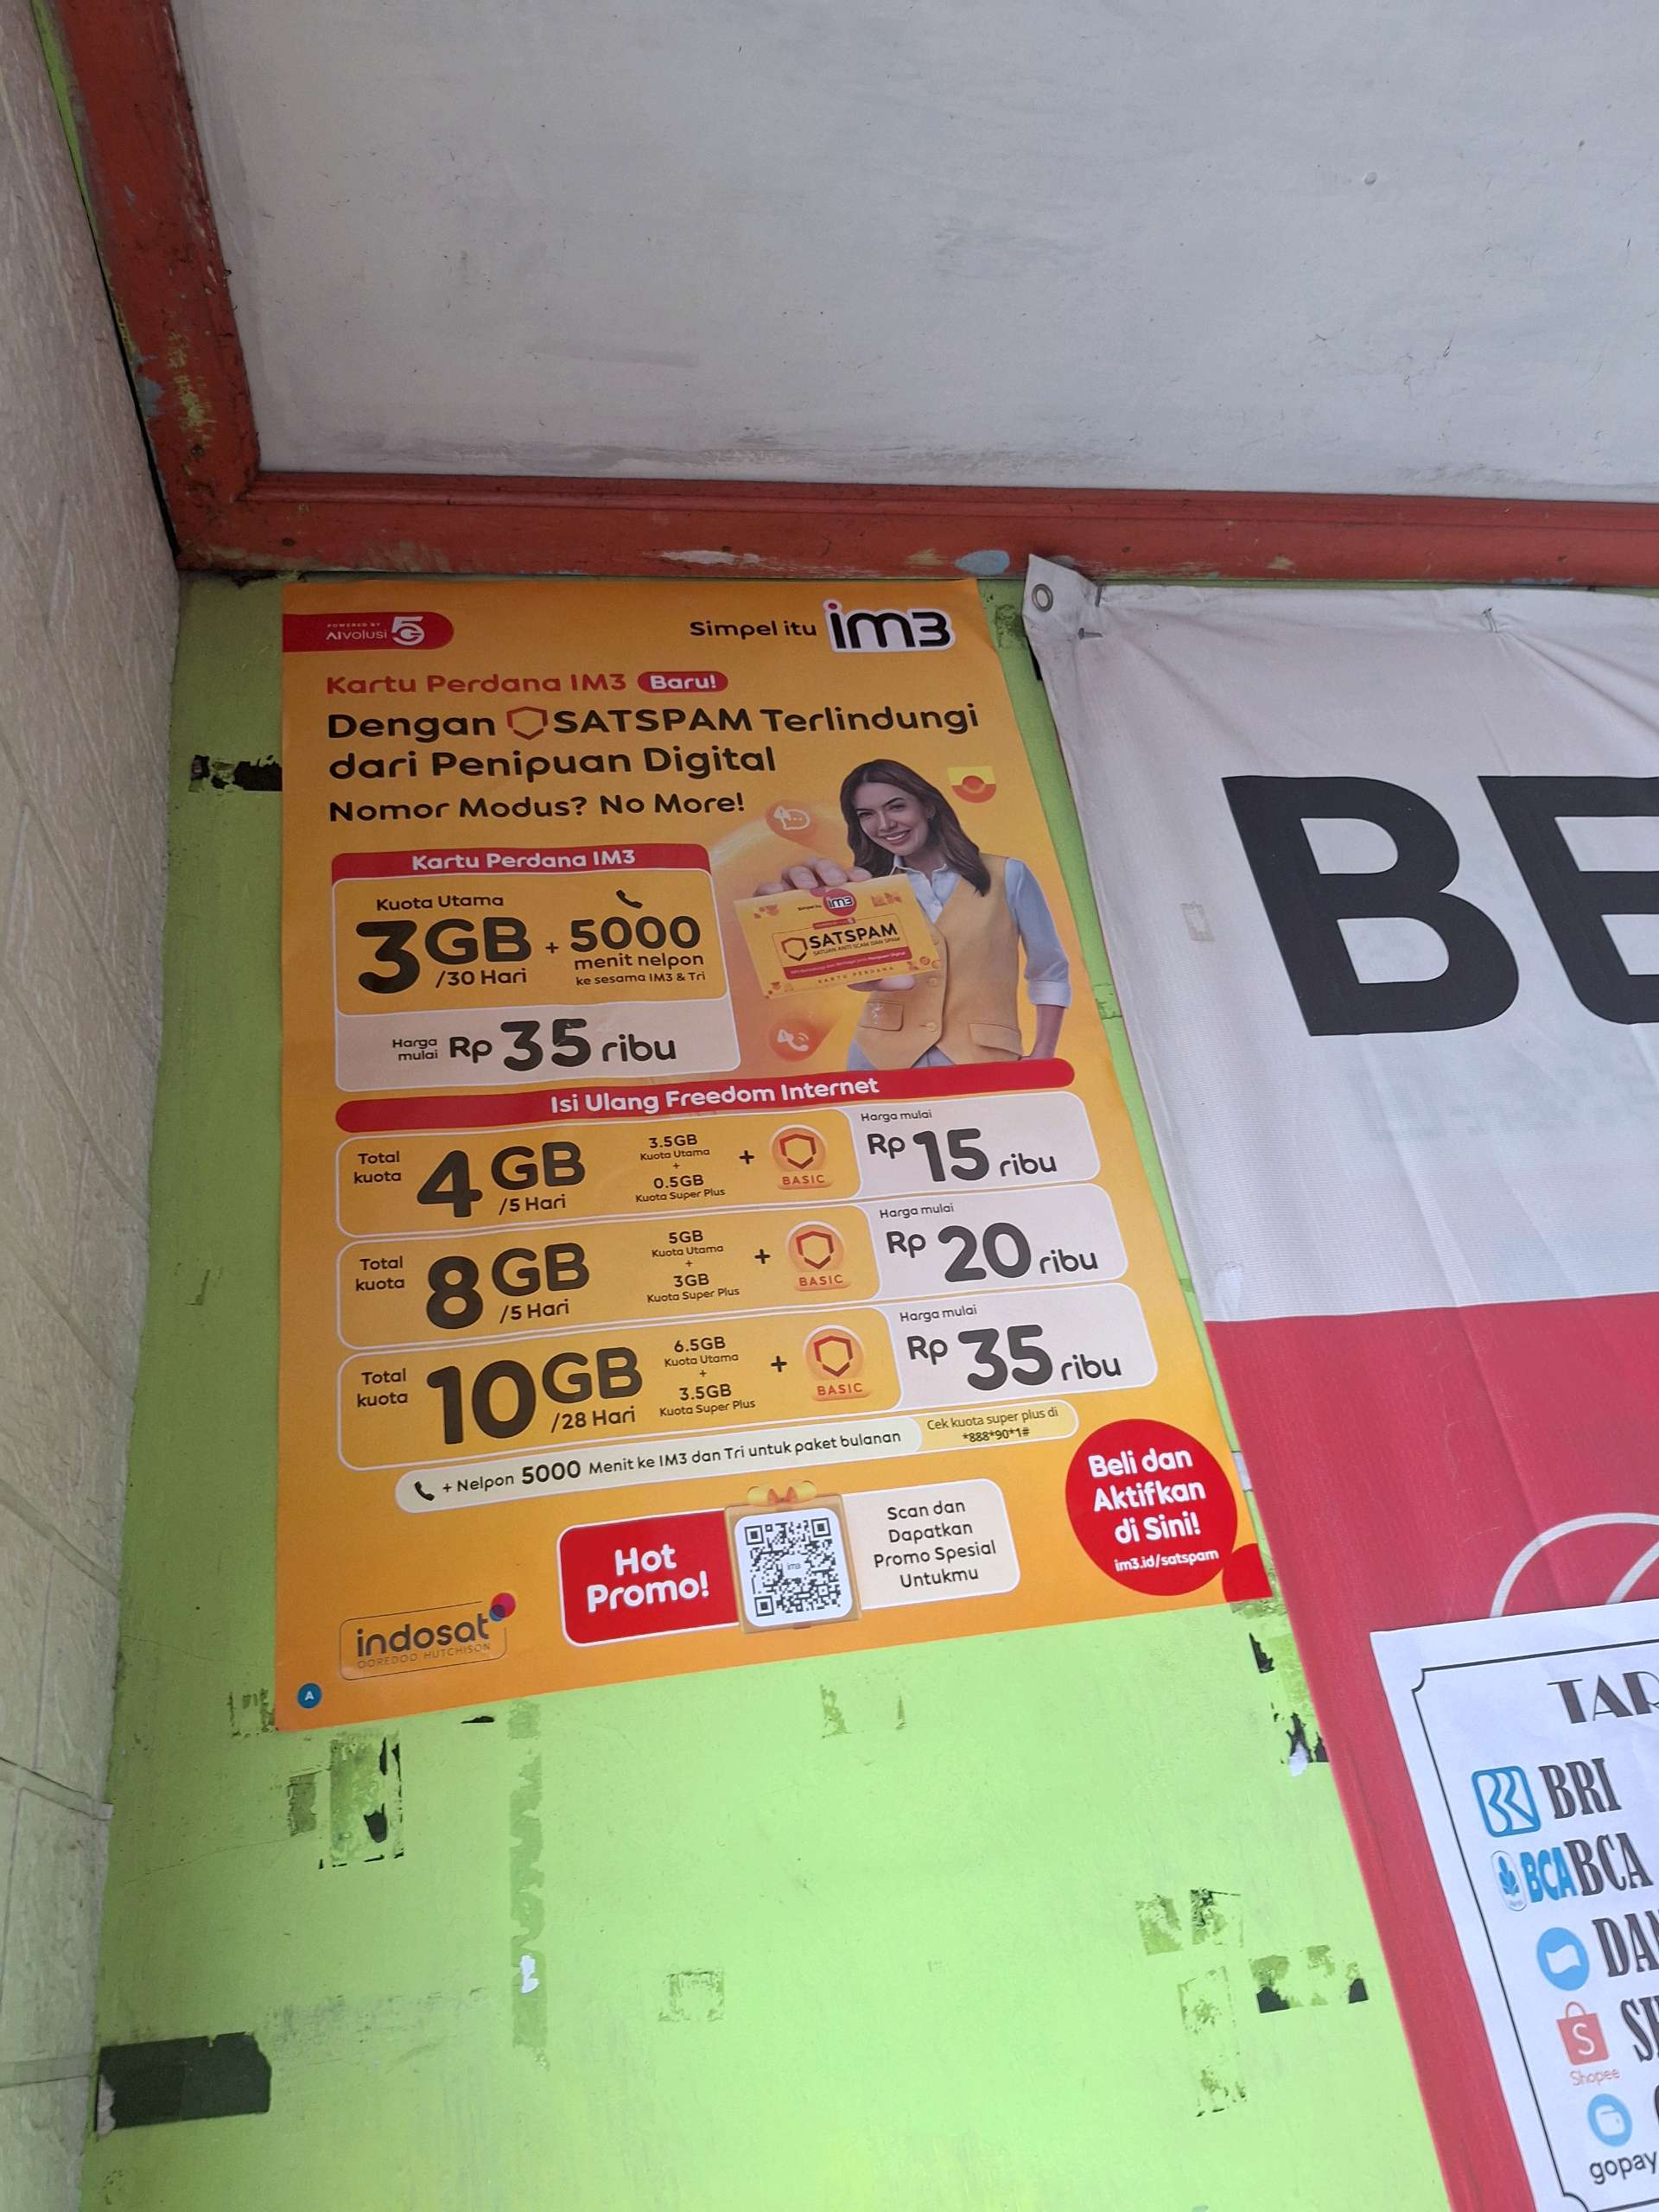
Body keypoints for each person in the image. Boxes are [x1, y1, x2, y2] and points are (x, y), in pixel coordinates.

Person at [753, 759, 1071, 1069]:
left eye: (896, 806)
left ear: (928, 807)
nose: (884, 824)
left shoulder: (1008, 875)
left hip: (983, 1055)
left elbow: (1050, 968)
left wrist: (1044, 1051)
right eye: (866, 814)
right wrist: (786, 919)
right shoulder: (863, 889)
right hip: (878, 1058)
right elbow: (854, 976)